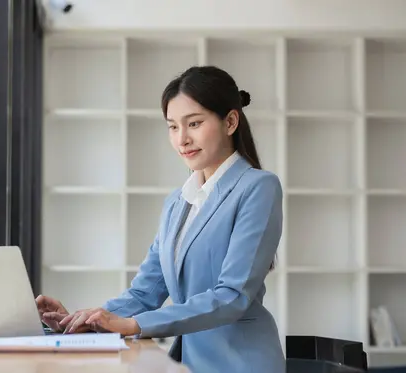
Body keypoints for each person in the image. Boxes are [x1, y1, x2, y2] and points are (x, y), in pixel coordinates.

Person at [36, 65, 285, 373]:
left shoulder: (258, 187)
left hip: (238, 362)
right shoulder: (177, 203)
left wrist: (132, 324)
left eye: (194, 123)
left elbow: (232, 296)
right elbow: (146, 292)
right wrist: (83, 321)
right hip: (187, 363)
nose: (183, 139)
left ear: (230, 121)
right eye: (172, 127)